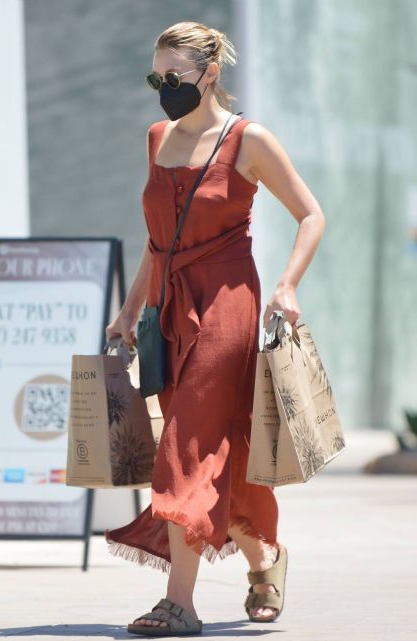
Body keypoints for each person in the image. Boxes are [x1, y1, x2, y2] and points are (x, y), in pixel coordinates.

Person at [105, 20, 325, 637]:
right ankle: (266, 562)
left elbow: (311, 214)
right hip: (169, 310)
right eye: (157, 77)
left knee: (185, 445)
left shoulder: (248, 140)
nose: (164, 87)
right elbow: (158, 242)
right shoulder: (157, 137)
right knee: (219, 447)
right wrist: (128, 312)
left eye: (175, 76)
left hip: (228, 305)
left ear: (211, 73)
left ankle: (179, 604)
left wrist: (287, 286)